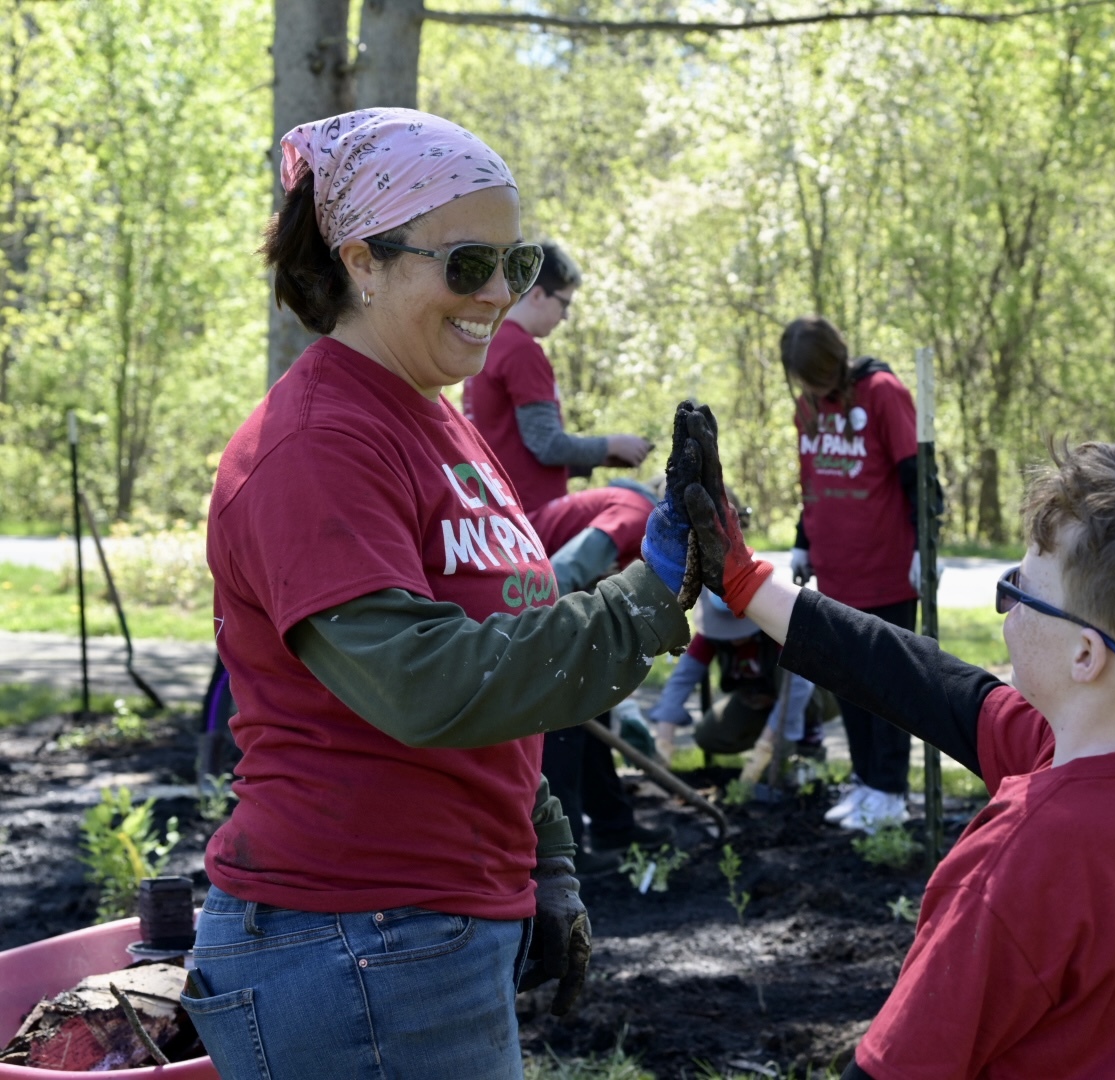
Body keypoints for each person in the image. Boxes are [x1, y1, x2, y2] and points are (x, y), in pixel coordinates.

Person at [185, 108, 706, 1080]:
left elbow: (506, 617)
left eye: (519, 261)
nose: (502, 294)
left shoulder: (435, 420)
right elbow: (428, 681)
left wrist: (539, 850)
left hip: (419, 929)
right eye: (470, 265)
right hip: (350, 941)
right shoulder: (318, 443)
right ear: (363, 261)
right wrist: (650, 599)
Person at [651, 435, 1115, 1078]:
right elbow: (929, 685)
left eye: (1019, 591)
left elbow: (896, 1069)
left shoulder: (1021, 862)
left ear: (1085, 655)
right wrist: (748, 581)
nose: (1005, 604)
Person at [781, 315, 941, 833]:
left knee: (888, 682)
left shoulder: (883, 393)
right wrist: (804, 542)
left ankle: (892, 791)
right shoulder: (807, 406)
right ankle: (868, 783)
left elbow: (919, 474)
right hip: (836, 570)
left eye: (820, 377)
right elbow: (811, 479)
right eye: (805, 380)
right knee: (848, 681)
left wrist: (923, 546)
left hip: (887, 567)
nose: (814, 389)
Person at [532, 480, 673, 872]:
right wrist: (538, 647)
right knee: (565, 724)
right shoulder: (633, 513)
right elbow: (561, 571)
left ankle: (613, 824)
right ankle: (565, 850)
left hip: (552, 604)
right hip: (527, 601)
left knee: (592, 707)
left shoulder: (638, 519)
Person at [463, 240, 651, 520]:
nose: (565, 316)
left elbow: (518, 448)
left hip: (499, 508)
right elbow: (547, 446)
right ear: (538, 295)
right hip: (530, 514)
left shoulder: (489, 343)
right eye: (564, 304)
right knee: (634, 507)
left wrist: (600, 457)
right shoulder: (523, 351)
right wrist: (612, 444)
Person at [647, 588, 826, 769]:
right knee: (707, 735)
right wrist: (664, 740)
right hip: (756, 700)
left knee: (795, 686)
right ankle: (768, 735)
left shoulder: (778, 632)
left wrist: (764, 746)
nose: (731, 635)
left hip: (804, 698)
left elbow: (798, 687)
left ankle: (800, 749)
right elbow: (681, 680)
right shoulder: (708, 639)